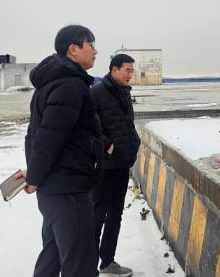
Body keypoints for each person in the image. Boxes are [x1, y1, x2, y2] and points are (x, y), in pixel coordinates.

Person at [21, 24, 104, 277]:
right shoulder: (69, 85)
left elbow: (35, 134)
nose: (95, 51)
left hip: (55, 187)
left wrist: (35, 174)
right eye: (91, 44)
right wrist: (34, 176)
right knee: (80, 263)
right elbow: (49, 137)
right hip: (69, 189)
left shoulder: (52, 83)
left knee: (53, 254)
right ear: (73, 49)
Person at [90, 54, 141, 277]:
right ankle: (88, 264)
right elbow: (89, 127)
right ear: (114, 70)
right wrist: (107, 145)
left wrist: (134, 143)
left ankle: (107, 261)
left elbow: (127, 125)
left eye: (132, 71)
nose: (130, 75)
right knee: (97, 216)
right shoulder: (96, 93)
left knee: (115, 216)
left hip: (122, 164)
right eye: (127, 70)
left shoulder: (124, 93)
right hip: (105, 167)